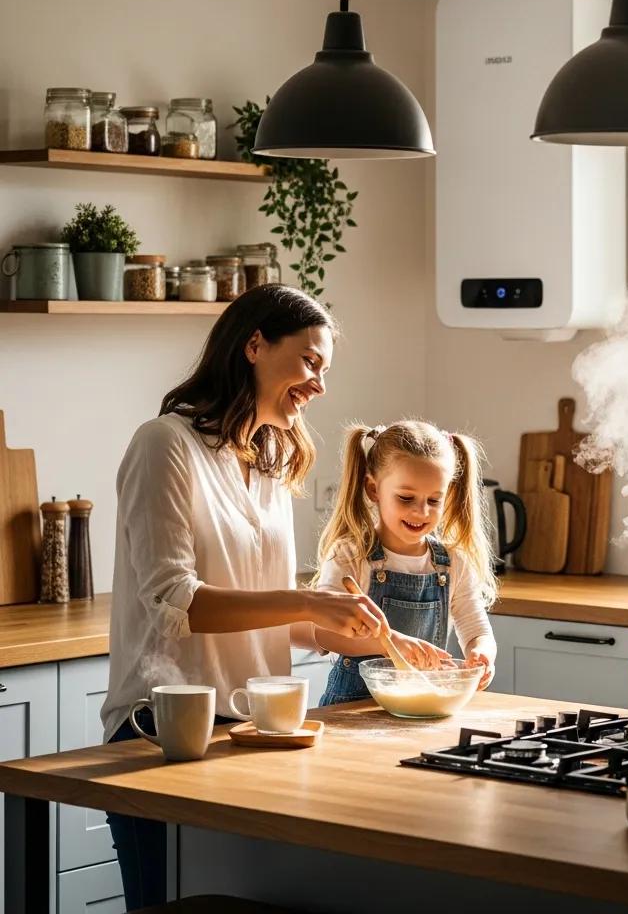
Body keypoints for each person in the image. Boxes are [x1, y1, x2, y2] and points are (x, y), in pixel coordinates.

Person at [101, 285, 387, 911]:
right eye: (311, 362)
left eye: (325, 370)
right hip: (161, 733)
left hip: (252, 734)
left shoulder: (269, 460)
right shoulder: (165, 444)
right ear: (254, 345)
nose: (319, 385)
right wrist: (310, 603)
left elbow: (274, 618)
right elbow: (180, 603)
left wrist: (373, 638)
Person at [315, 420, 498, 703]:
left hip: (420, 708)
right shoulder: (350, 555)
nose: (421, 511)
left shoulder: (452, 563)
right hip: (350, 713)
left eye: (434, 500)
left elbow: (477, 629)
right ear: (374, 489)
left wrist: (482, 653)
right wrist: (389, 646)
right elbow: (324, 633)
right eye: (406, 497)